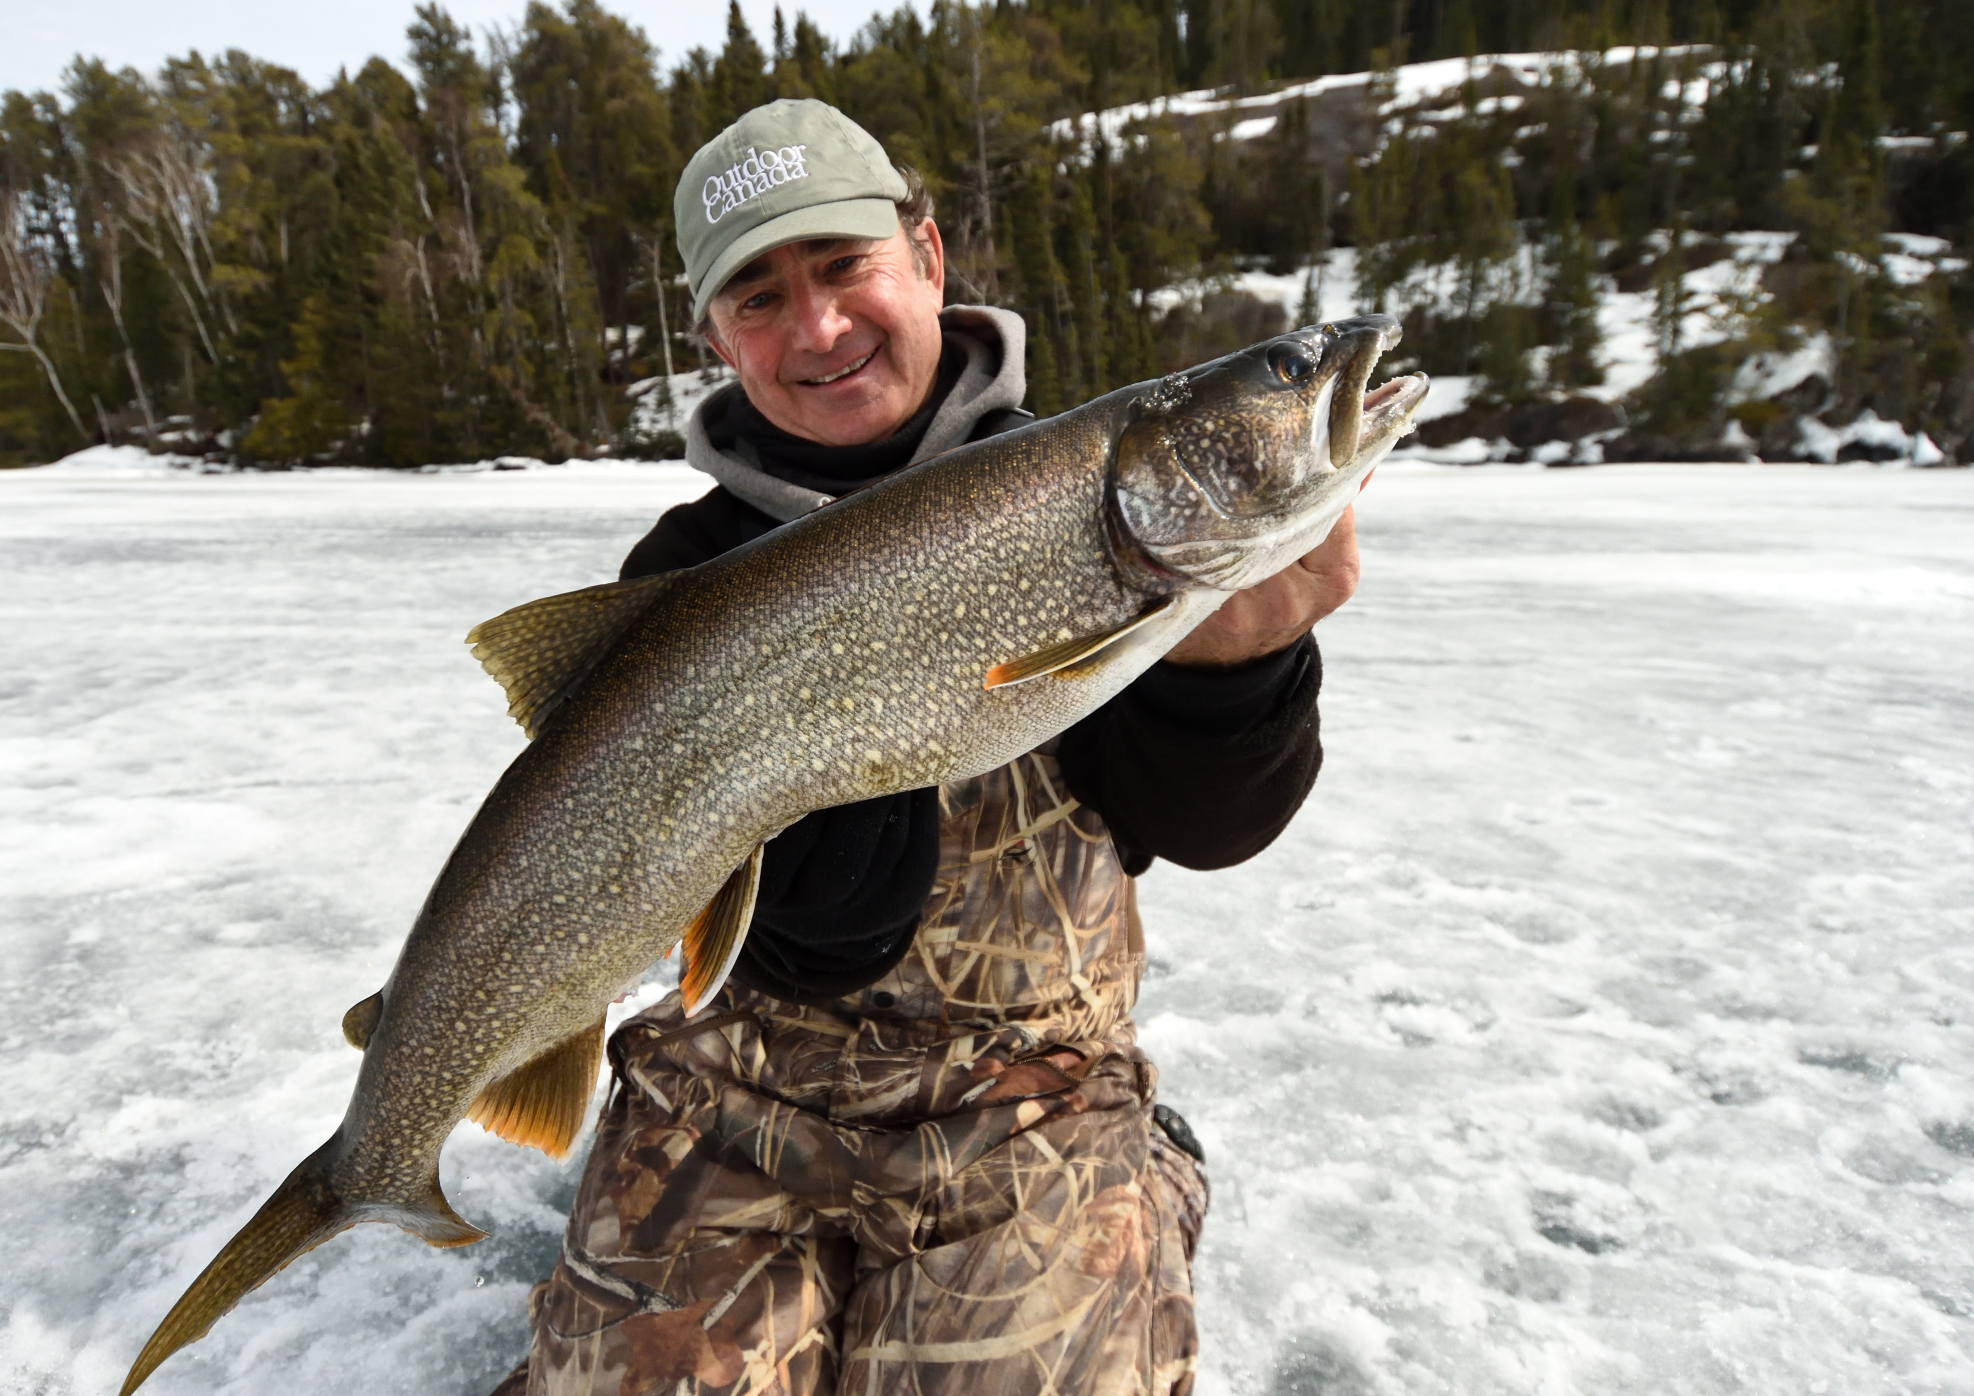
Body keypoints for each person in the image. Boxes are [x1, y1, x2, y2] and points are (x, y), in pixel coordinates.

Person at [492, 98, 1359, 1396]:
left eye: (843, 268)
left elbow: (1208, 824)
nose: (819, 329)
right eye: (758, 298)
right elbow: (726, 910)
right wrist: (818, 885)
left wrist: (1239, 679)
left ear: (928, 260)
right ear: (715, 336)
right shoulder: (678, 576)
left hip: (1022, 1100)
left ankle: (1146, 1167)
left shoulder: (1084, 494)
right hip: (729, 1100)